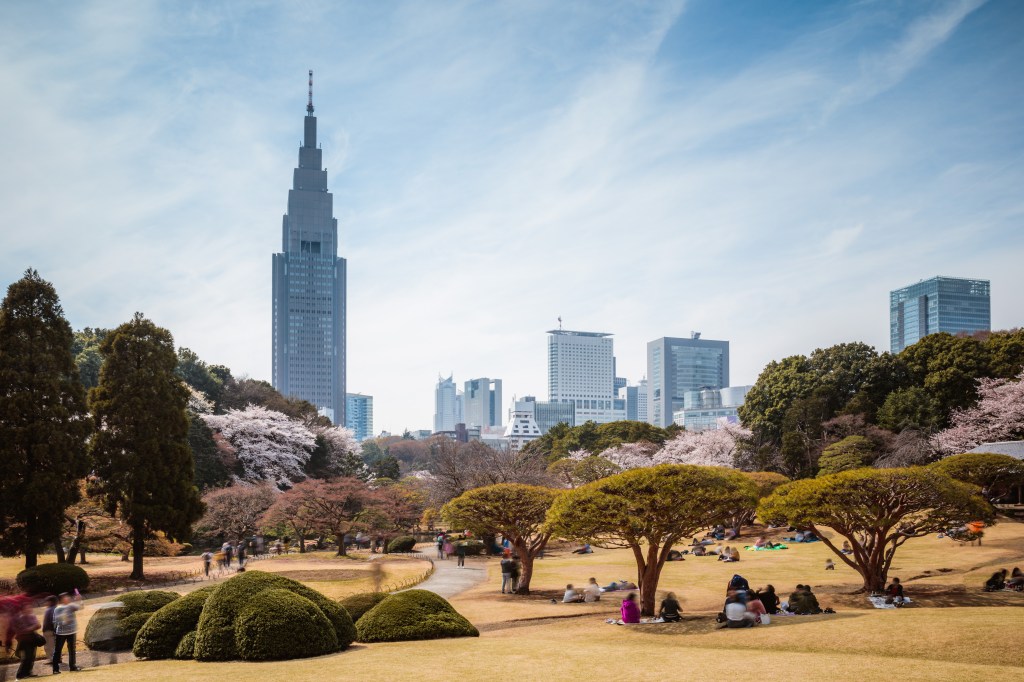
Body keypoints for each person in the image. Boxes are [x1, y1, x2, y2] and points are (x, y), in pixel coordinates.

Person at [12, 600, 43, 681]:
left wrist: (29, 628)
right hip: (24, 641)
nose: (29, 609)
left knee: (32, 657)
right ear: (22, 609)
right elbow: (20, 631)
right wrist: (31, 627)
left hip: (32, 639)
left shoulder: (32, 616)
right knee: (26, 657)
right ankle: (20, 675)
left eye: (30, 607)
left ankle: (28, 672)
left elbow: (38, 625)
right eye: (27, 607)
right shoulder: (20, 618)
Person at [52, 591, 83, 673]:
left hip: (72, 632)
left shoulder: (71, 606)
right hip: (61, 633)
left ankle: (73, 667)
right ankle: (55, 669)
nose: (68, 598)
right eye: (66, 597)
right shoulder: (58, 609)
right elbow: (57, 620)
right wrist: (65, 619)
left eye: (68, 596)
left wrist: (79, 600)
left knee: (72, 650)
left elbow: (81, 607)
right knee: (58, 651)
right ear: (61, 600)